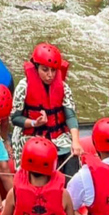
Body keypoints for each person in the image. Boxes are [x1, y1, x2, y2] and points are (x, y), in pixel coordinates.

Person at [10, 43, 84, 174]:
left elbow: (70, 116)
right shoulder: (23, 87)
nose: (50, 75)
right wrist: (34, 123)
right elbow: (15, 119)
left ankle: (68, 190)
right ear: (36, 68)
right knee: (36, 160)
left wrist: (76, 142)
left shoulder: (63, 87)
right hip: (30, 134)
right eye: (45, 70)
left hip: (57, 135)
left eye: (53, 70)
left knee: (73, 159)